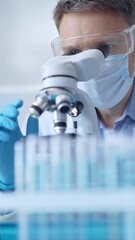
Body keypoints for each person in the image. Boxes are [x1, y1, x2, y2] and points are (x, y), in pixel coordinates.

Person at [0, 0, 135, 208]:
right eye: (72, 53)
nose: (89, 64)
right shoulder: (48, 117)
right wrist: (12, 184)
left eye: (104, 49)